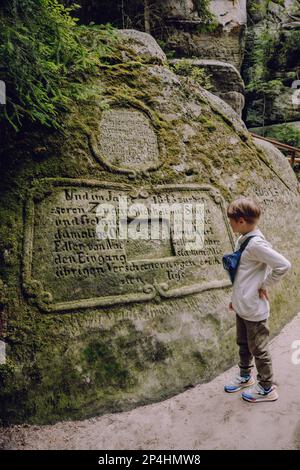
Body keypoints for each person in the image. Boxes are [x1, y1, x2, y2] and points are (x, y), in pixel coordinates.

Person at [224, 197, 291, 402]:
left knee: (259, 350)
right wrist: (235, 299)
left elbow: (283, 265)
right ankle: (245, 377)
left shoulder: (255, 244)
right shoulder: (243, 239)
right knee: (243, 344)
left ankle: (266, 388)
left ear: (241, 220)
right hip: (242, 306)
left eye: (232, 220)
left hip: (254, 309)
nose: (230, 223)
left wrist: (264, 284)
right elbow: (243, 276)